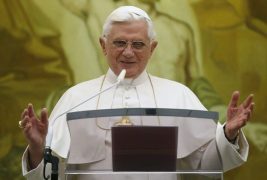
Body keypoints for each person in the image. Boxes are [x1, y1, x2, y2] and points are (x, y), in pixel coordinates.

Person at [20, 6, 254, 180]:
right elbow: (52, 175)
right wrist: (39, 148)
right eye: (119, 43)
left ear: (152, 48)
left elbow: (207, 163)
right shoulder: (76, 98)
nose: (128, 53)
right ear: (103, 45)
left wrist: (228, 134)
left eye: (138, 44)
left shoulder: (178, 95)